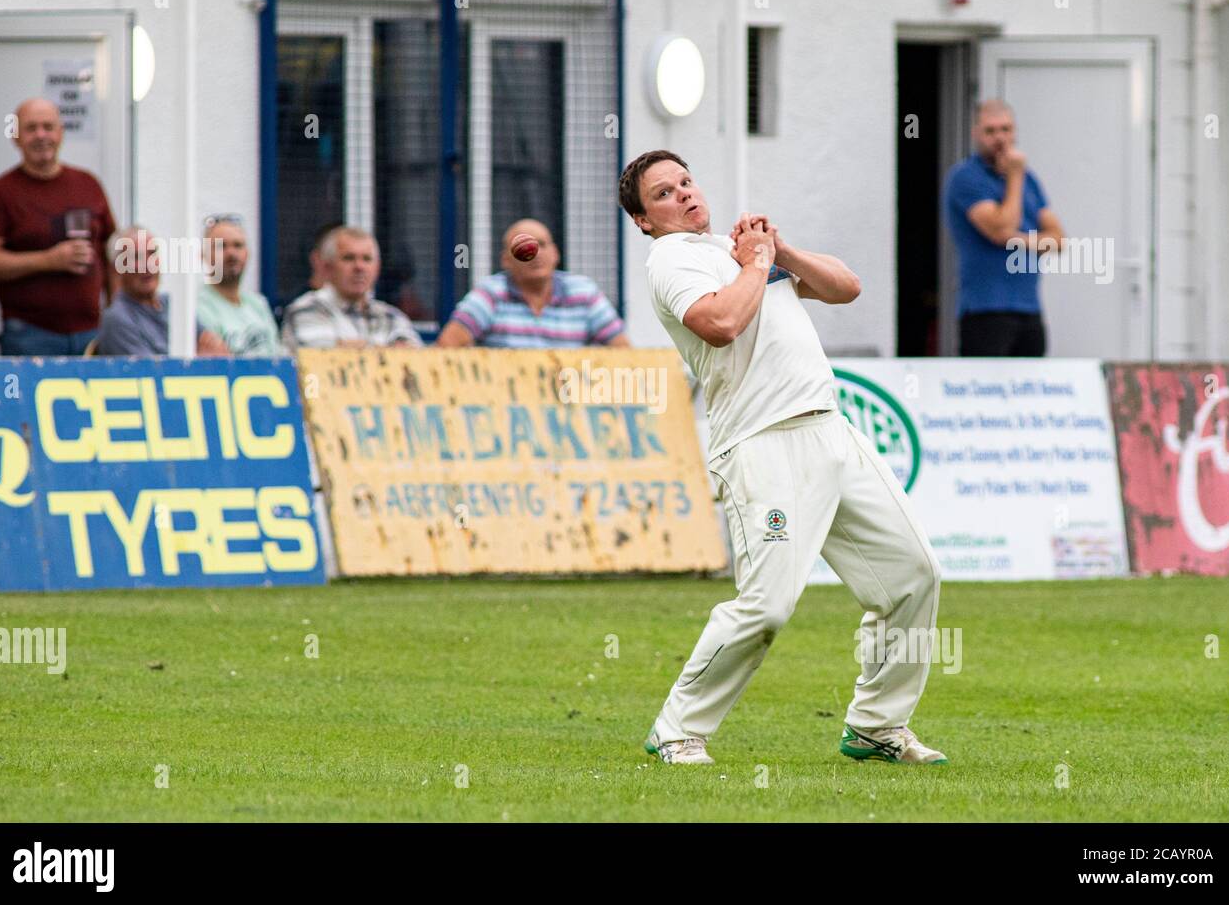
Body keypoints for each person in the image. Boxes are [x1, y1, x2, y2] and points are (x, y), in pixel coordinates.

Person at [619, 149, 945, 766]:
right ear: (644, 220)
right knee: (767, 603)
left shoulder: (736, 250)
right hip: (763, 449)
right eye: (663, 193)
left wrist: (781, 252)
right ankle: (677, 728)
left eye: (686, 181)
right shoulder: (671, 261)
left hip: (831, 431)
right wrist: (758, 264)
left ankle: (877, 726)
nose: (684, 195)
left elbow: (846, 288)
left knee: (913, 574)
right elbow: (720, 322)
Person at [0, 98, 117, 355]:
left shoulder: (88, 184)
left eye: (48, 127)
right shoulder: (0, 192)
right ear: (15, 136)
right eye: (31, 128)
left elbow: (112, 252)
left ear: (60, 133)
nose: (41, 135)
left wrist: (114, 315)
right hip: (29, 335)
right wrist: (48, 260)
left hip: (93, 333)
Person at [943, 99, 1066, 356]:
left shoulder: (1029, 179)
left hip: (1029, 308)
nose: (1000, 138)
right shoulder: (966, 177)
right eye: (991, 131)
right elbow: (1001, 227)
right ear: (976, 133)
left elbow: (1058, 240)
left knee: (1031, 391)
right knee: (984, 392)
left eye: (1006, 129)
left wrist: (1016, 239)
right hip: (985, 310)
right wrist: (1015, 176)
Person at [436, 218, 627, 348]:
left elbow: (623, 352)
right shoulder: (490, 294)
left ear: (556, 254)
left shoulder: (584, 293)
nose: (534, 254)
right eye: (521, 248)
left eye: (542, 245)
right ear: (505, 260)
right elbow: (446, 348)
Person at [281, 226, 423, 351]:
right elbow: (327, 360)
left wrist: (349, 346)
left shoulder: (391, 316)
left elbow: (415, 361)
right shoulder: (305, 310)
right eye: (348, 258)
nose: (359, 267)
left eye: (367, 259)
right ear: (327, 267)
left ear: (377, 268)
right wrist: (389, 351)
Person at [96, 227, 229, 356]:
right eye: (136, 257)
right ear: (116, 268)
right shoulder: (117, 319)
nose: (148, 264)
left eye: (152, 253)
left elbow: (217, 350)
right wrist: (201, 364)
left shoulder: (173, 305)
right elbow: (151, 375)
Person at [195, 215, 282, 355]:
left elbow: (277, 356)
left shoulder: (258, 304)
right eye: (221, 246)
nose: (231, 253)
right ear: (203, 255)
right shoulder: (196, 306)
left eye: (237, 245)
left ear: (247, 253)